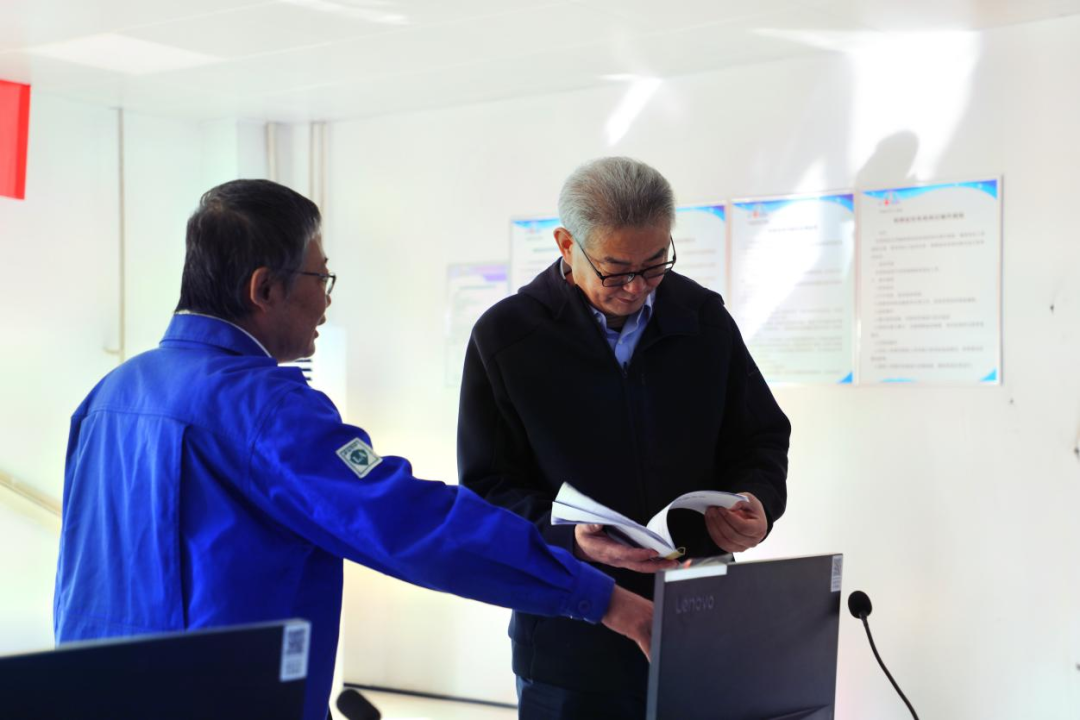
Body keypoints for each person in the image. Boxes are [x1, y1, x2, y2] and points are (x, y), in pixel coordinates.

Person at [53, 179, 652, 720]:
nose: (327, 301)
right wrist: (597, 597)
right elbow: (409, 521)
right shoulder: (265, 409)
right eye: (321, 279)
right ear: (265, 288)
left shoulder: (109, 395)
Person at [458, 157, 791, 719]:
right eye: (615, 270)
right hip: (571, 637)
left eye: (655, 264)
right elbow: (487, 488)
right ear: (567, 245)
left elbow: (760, 437)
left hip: (700, 619)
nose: (636, 287)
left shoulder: (703, 319)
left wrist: (758, 502)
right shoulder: (507, 337)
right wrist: (568, 538)